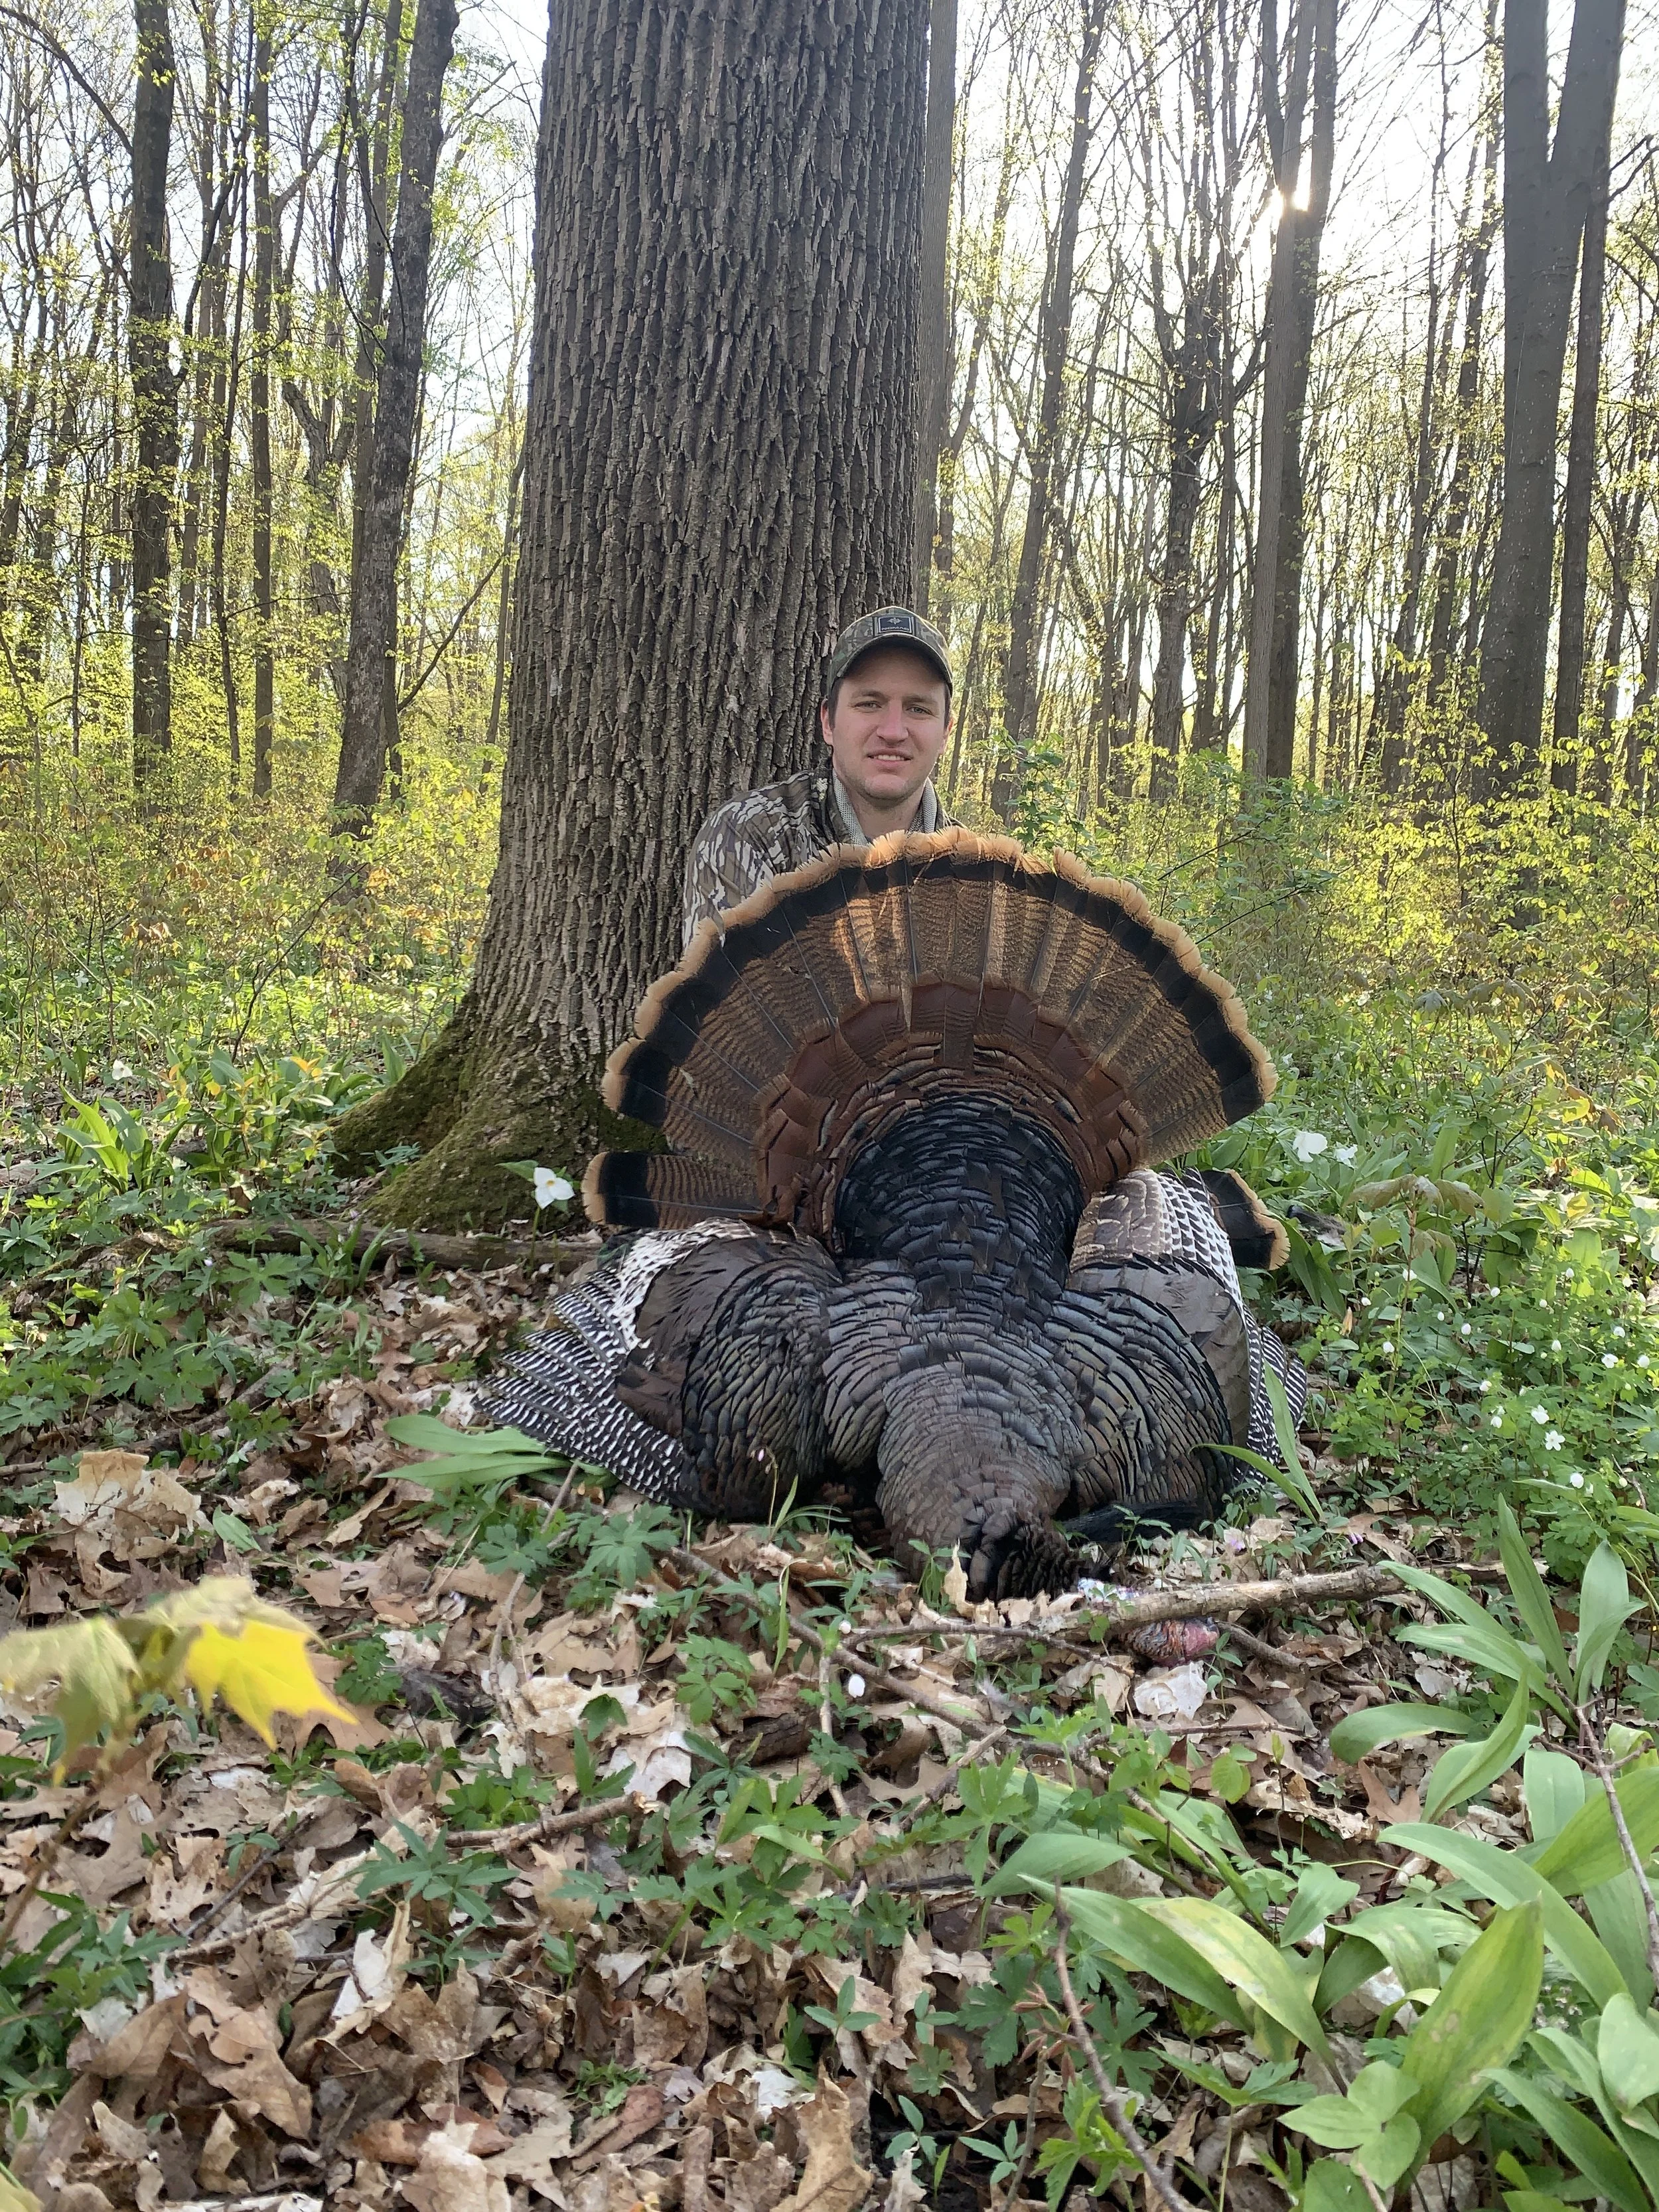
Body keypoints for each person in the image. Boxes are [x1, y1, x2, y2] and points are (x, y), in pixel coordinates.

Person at [681, 605, 957, 944]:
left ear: (946, 732)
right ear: (829, 722)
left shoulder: (976, 877)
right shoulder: (750, 837)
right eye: (869, 703)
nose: (893, 731)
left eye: (918, 709)